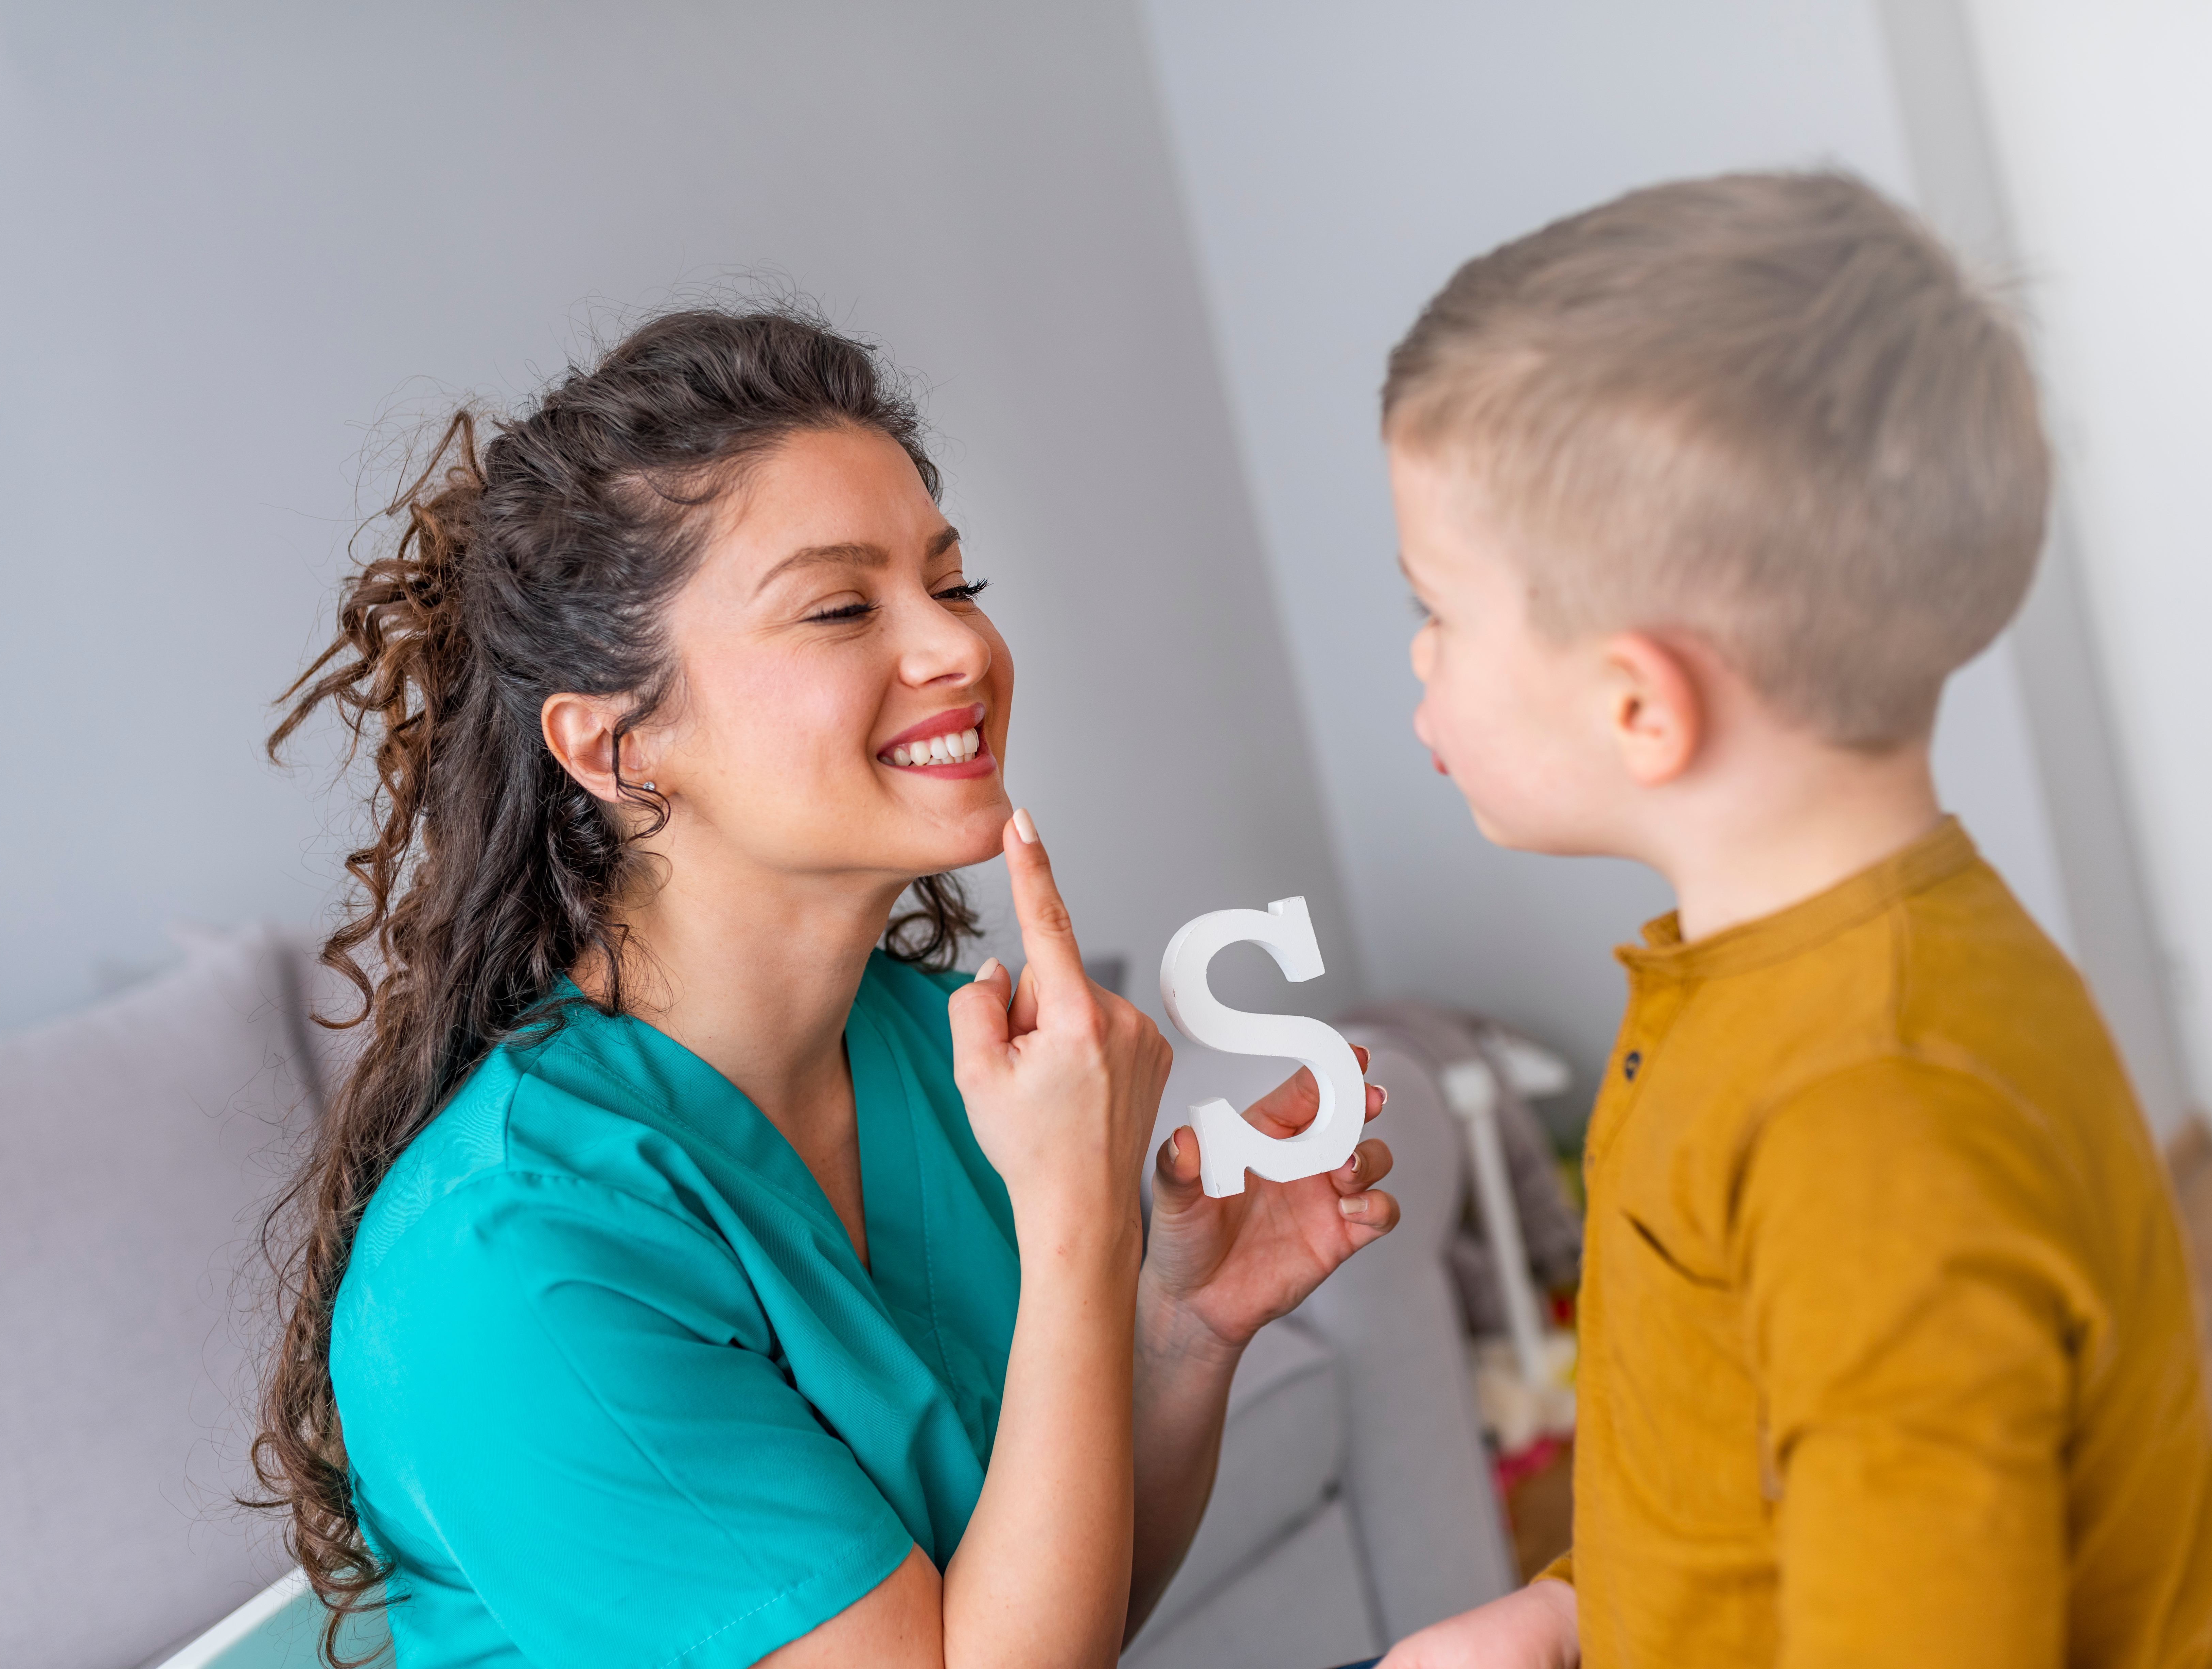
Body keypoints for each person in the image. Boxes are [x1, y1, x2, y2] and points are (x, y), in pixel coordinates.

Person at [249, 308, 1400, 1669]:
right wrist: (1079, 1220)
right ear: (613, 744)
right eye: (843, 606)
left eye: (953, 584)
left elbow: (1039, 1616)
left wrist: (1180, 1326)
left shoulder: (933, 1051)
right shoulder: (513, 1261)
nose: (960, 650)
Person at [1372, 174, 2212, 1668]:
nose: (1418, 659)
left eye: (1434, 606)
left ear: (1639, 704)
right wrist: (1575, 1608)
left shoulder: (1868, 1111)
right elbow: (1747, 1456)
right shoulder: (1801, 985)